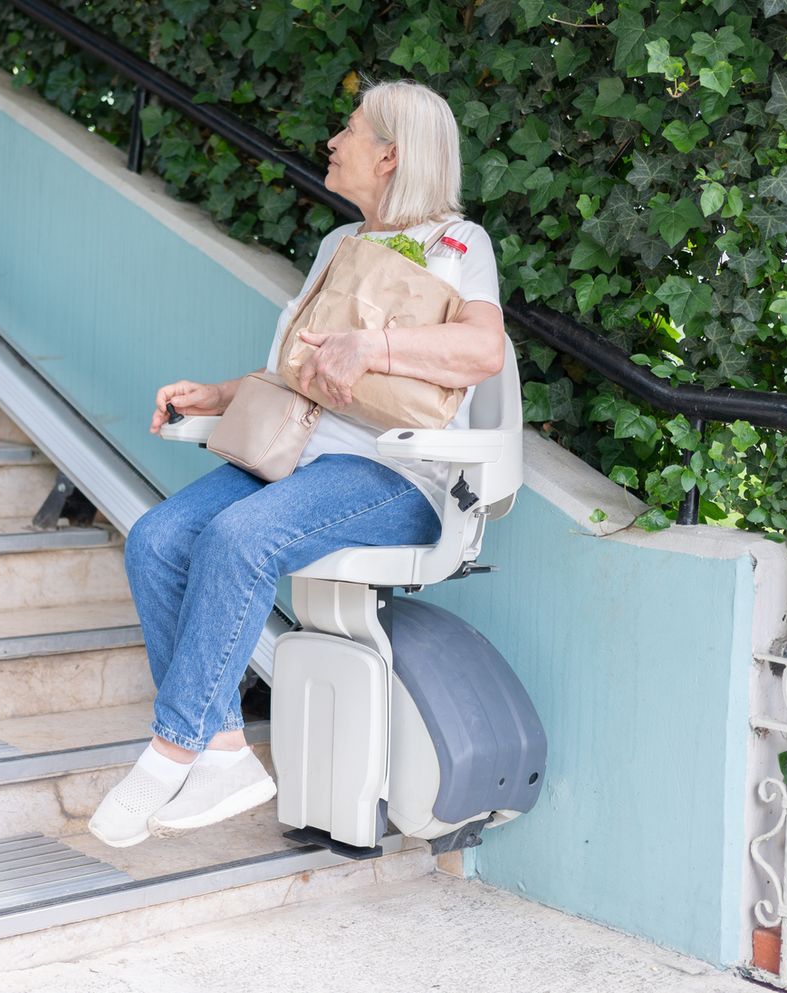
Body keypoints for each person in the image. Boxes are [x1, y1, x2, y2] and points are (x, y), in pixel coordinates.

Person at [87, 78, 508, 849]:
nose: (333, 142)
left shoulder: (459, 245)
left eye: (349, 130)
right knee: (156, 537)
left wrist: (375, 345)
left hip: (395, 475)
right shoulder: (336, 247)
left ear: (390, 156)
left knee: (241, 538)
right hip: (302, 455)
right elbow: (297, 370)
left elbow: (483, 349)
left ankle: (169, 749)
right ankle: (221, 750)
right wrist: (214, 395)